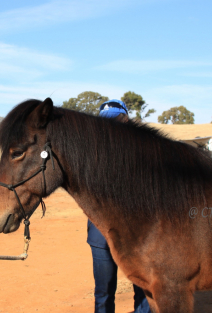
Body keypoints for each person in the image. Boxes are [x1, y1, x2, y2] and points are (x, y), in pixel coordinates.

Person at [87, 99, 151, 313]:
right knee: (103, 291)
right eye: (107, 121)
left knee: (144, 288)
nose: (113, 124)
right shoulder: (91, 154)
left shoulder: (143, 150)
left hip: (137, 235)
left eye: (117, 118)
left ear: (126, 119)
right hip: (101, 234)